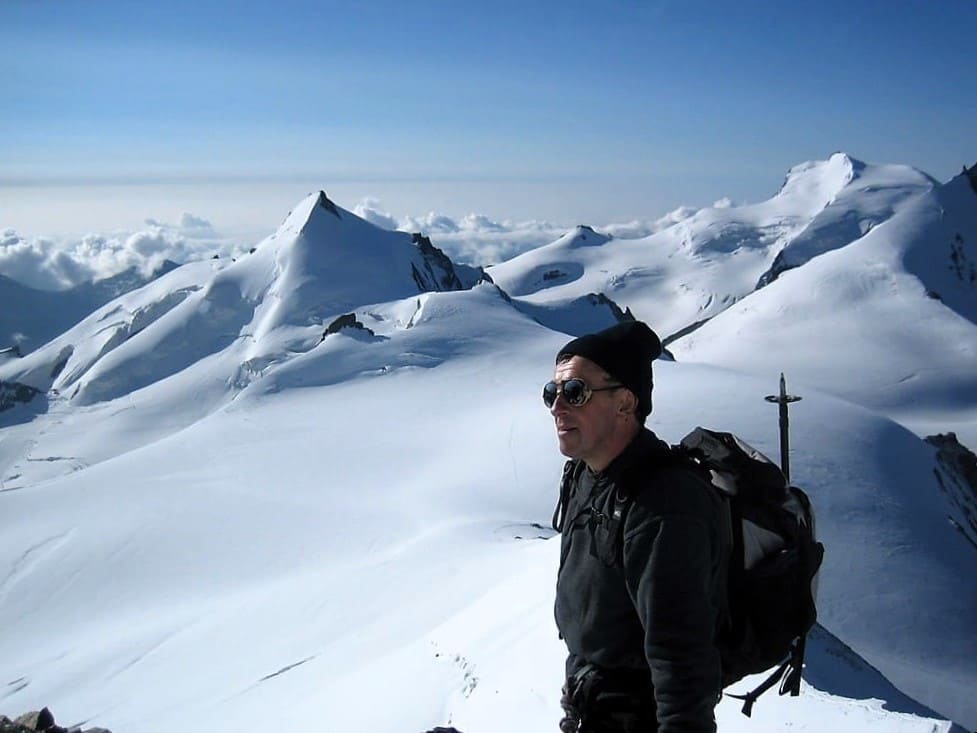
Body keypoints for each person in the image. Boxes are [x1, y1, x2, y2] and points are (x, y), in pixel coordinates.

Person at [547, 321, 729, 733]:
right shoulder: (586, 475)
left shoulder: (664, 503)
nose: (558, 407)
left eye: (575, 392)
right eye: (552, 393)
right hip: (590, 704)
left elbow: (680, 657)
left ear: (626, 403)